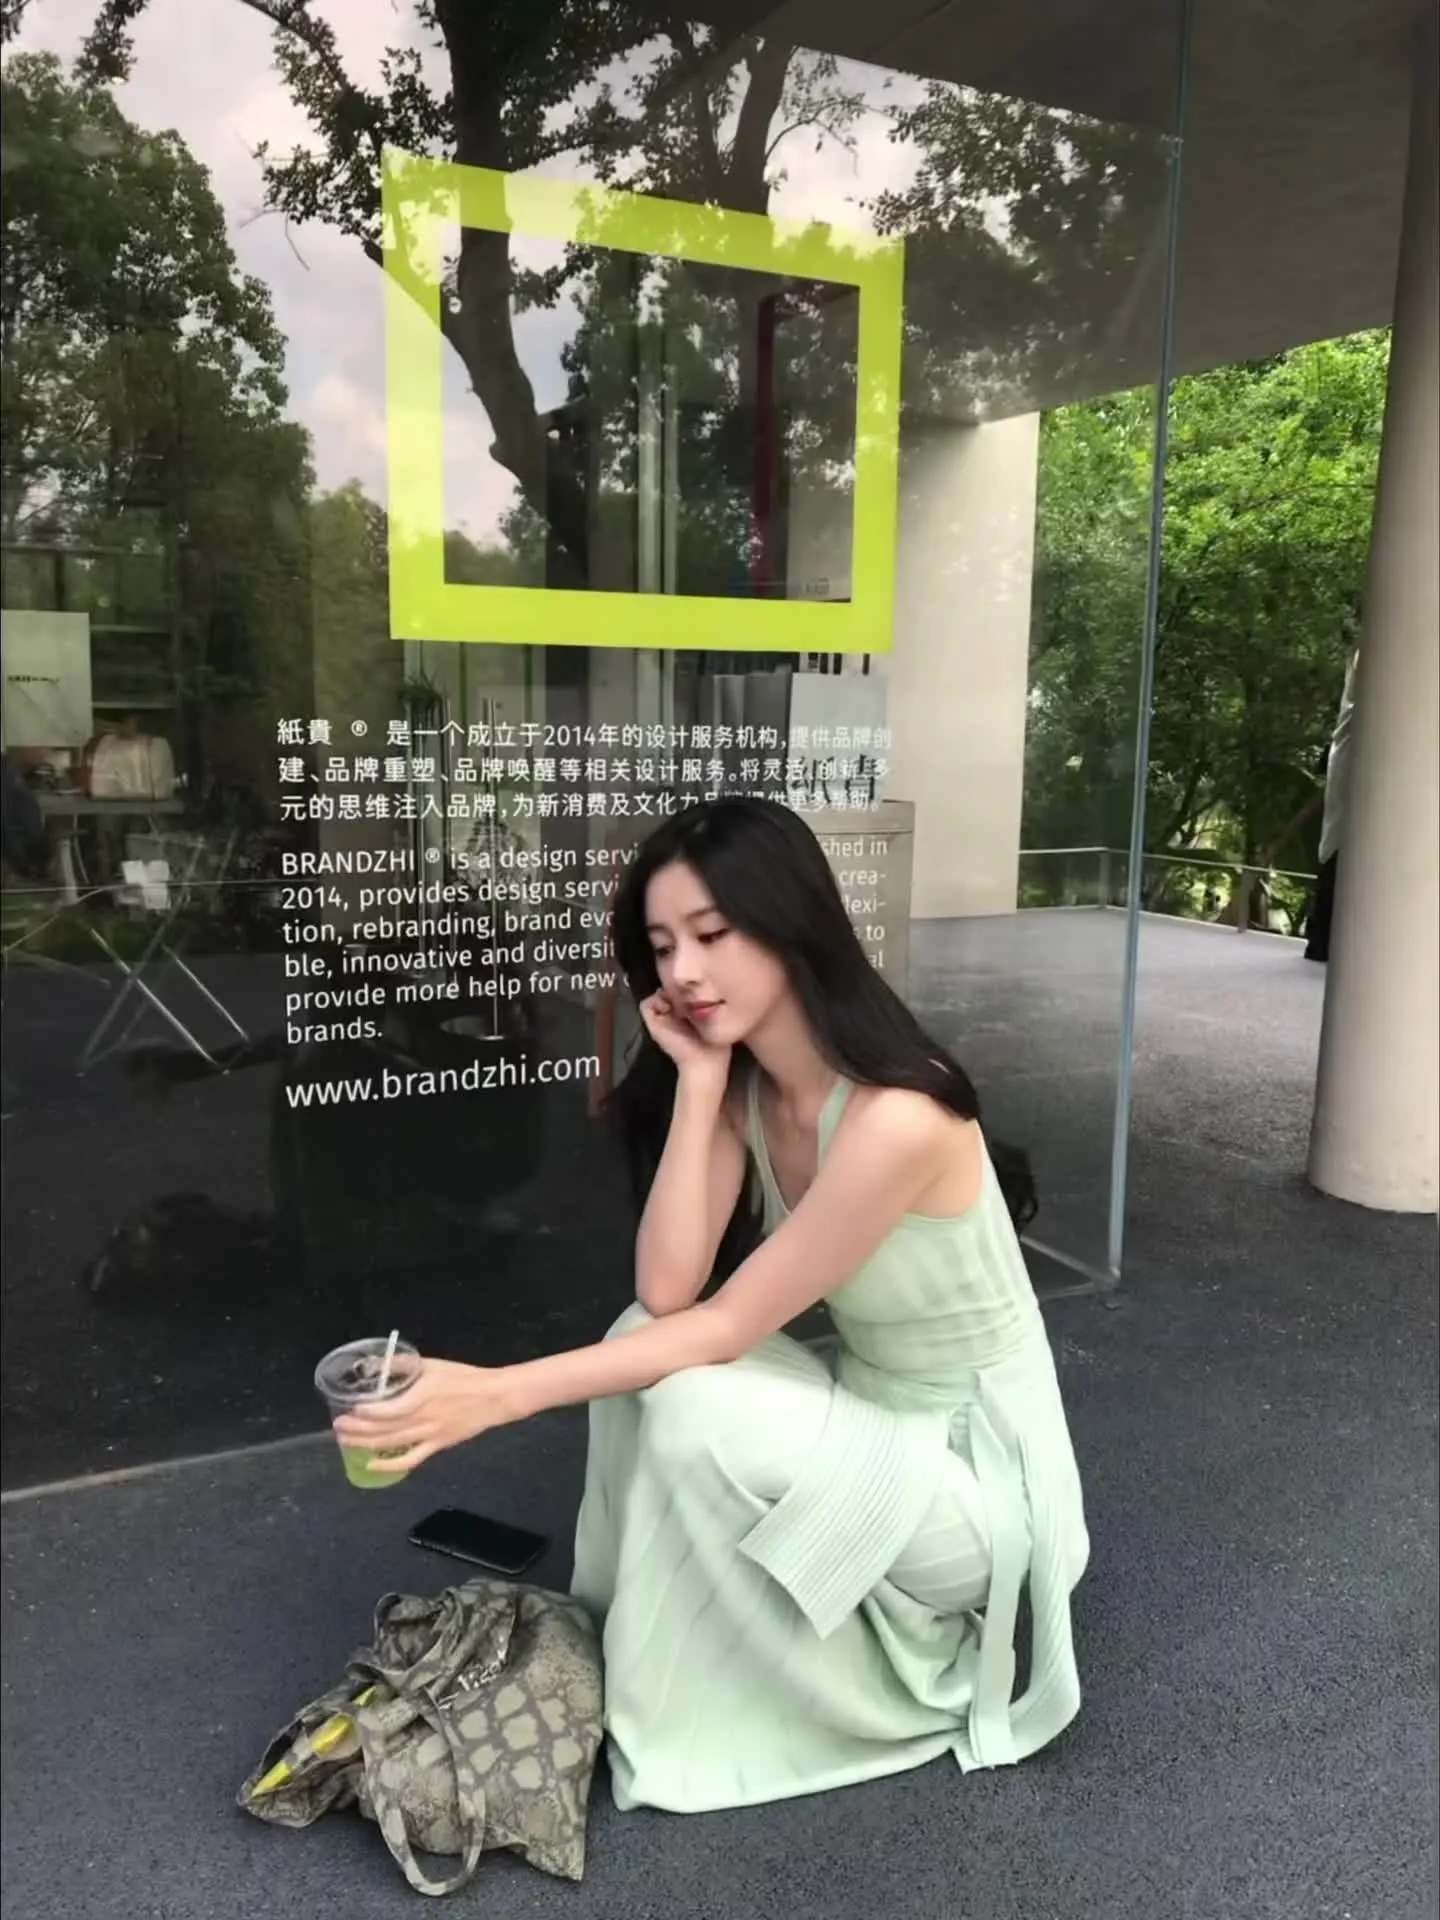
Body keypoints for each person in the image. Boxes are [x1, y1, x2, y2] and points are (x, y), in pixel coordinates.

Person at [335, 796, 1089, 1813]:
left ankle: (722, 1701)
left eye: (713, 933)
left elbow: (728, 1325)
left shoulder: (901, 1115)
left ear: (791, 922)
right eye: (662, 947)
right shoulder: (750, 1090)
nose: (684, 972)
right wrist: (698, 1083)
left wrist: (498, 1394)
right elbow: (667, 1291)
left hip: (980, 1493)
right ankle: (624, 1646)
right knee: (644, 1342)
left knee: (692, 1393)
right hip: (876, 1421)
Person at [1306, 649, 1359, 963]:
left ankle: (1324, 938)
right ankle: (1323, 940)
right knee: (1337, 849)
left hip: (1349, 763)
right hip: (1350, 763)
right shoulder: (1367, 656)